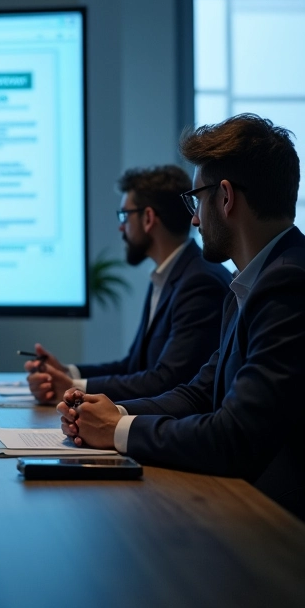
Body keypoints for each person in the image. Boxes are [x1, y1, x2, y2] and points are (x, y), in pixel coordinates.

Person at [59, 114, 305, 519]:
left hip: (278, 531)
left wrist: (118, 431)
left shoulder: (288, 285)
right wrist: (111, 412)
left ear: (225, 197)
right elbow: (199, 392)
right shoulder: (250, 284)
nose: (193, 218)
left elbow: (233, 437)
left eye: (197, 200)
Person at [26, 165, 231, 402]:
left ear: (148, 218)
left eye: (125, 215)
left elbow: (167, 381)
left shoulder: (200, 281)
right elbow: (133, 366)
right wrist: (68, 373)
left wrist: (73, 387)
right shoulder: (171, 274)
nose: (120, 227)